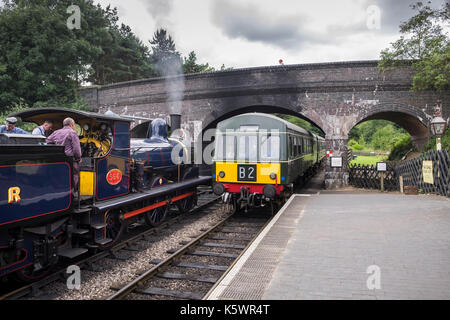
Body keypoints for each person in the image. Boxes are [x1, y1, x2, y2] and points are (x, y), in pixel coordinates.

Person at [46, 118, 82, 194]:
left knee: (60, 176)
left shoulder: (56, 132)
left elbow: (47, 141)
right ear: (72, 124)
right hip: (70, 159)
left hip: (58, 158)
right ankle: (73, 193)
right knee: (74, 175)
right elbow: (76, 149)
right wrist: (78, 158)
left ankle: (60, 191)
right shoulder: (72, 133)